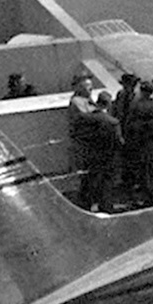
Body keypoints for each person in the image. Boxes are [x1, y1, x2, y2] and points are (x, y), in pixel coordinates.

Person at [125, 80, 153, 206]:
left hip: (142, 143)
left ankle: (146, 197)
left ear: (142, 92)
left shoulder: (136, 106)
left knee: (144, 172)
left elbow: (130, 125)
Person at [68, 73, 100, 210]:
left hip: (92, 142)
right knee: (86, 173)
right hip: (83, 143)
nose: (90, 90)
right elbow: (89, 116)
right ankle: (85, 201)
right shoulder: (77, 101)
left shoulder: (88, 99)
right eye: (88, 87)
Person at [87, 91, 121, 213]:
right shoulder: (113, 122)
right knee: (107, 181)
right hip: (109, 156)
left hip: (92, 154)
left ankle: (89, 202)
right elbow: (118, 141)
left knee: (92, 178)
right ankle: (105, 205)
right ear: (108, 105)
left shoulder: (89, 118)